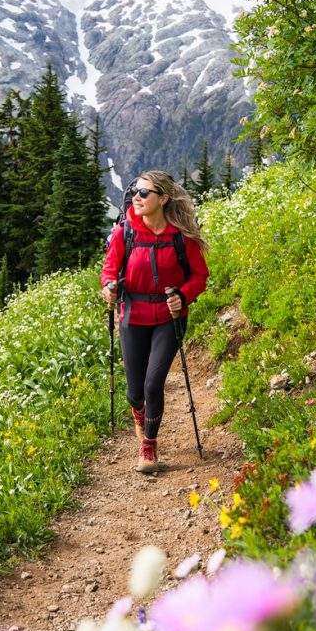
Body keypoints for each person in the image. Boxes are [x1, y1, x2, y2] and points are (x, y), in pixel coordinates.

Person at [101, 170, 209, 472]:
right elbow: (109, 270)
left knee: (153, 383)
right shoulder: (125, 233)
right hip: (133, 316)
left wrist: (183, 296)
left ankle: (148, 446)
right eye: (136, 191)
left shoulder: (181, 237)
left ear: (163, 199)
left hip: (168, 317)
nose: (136, 197)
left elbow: (200, 276)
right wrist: (109, 287)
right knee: (135, 393)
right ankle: (139, 413)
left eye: (144, 193)